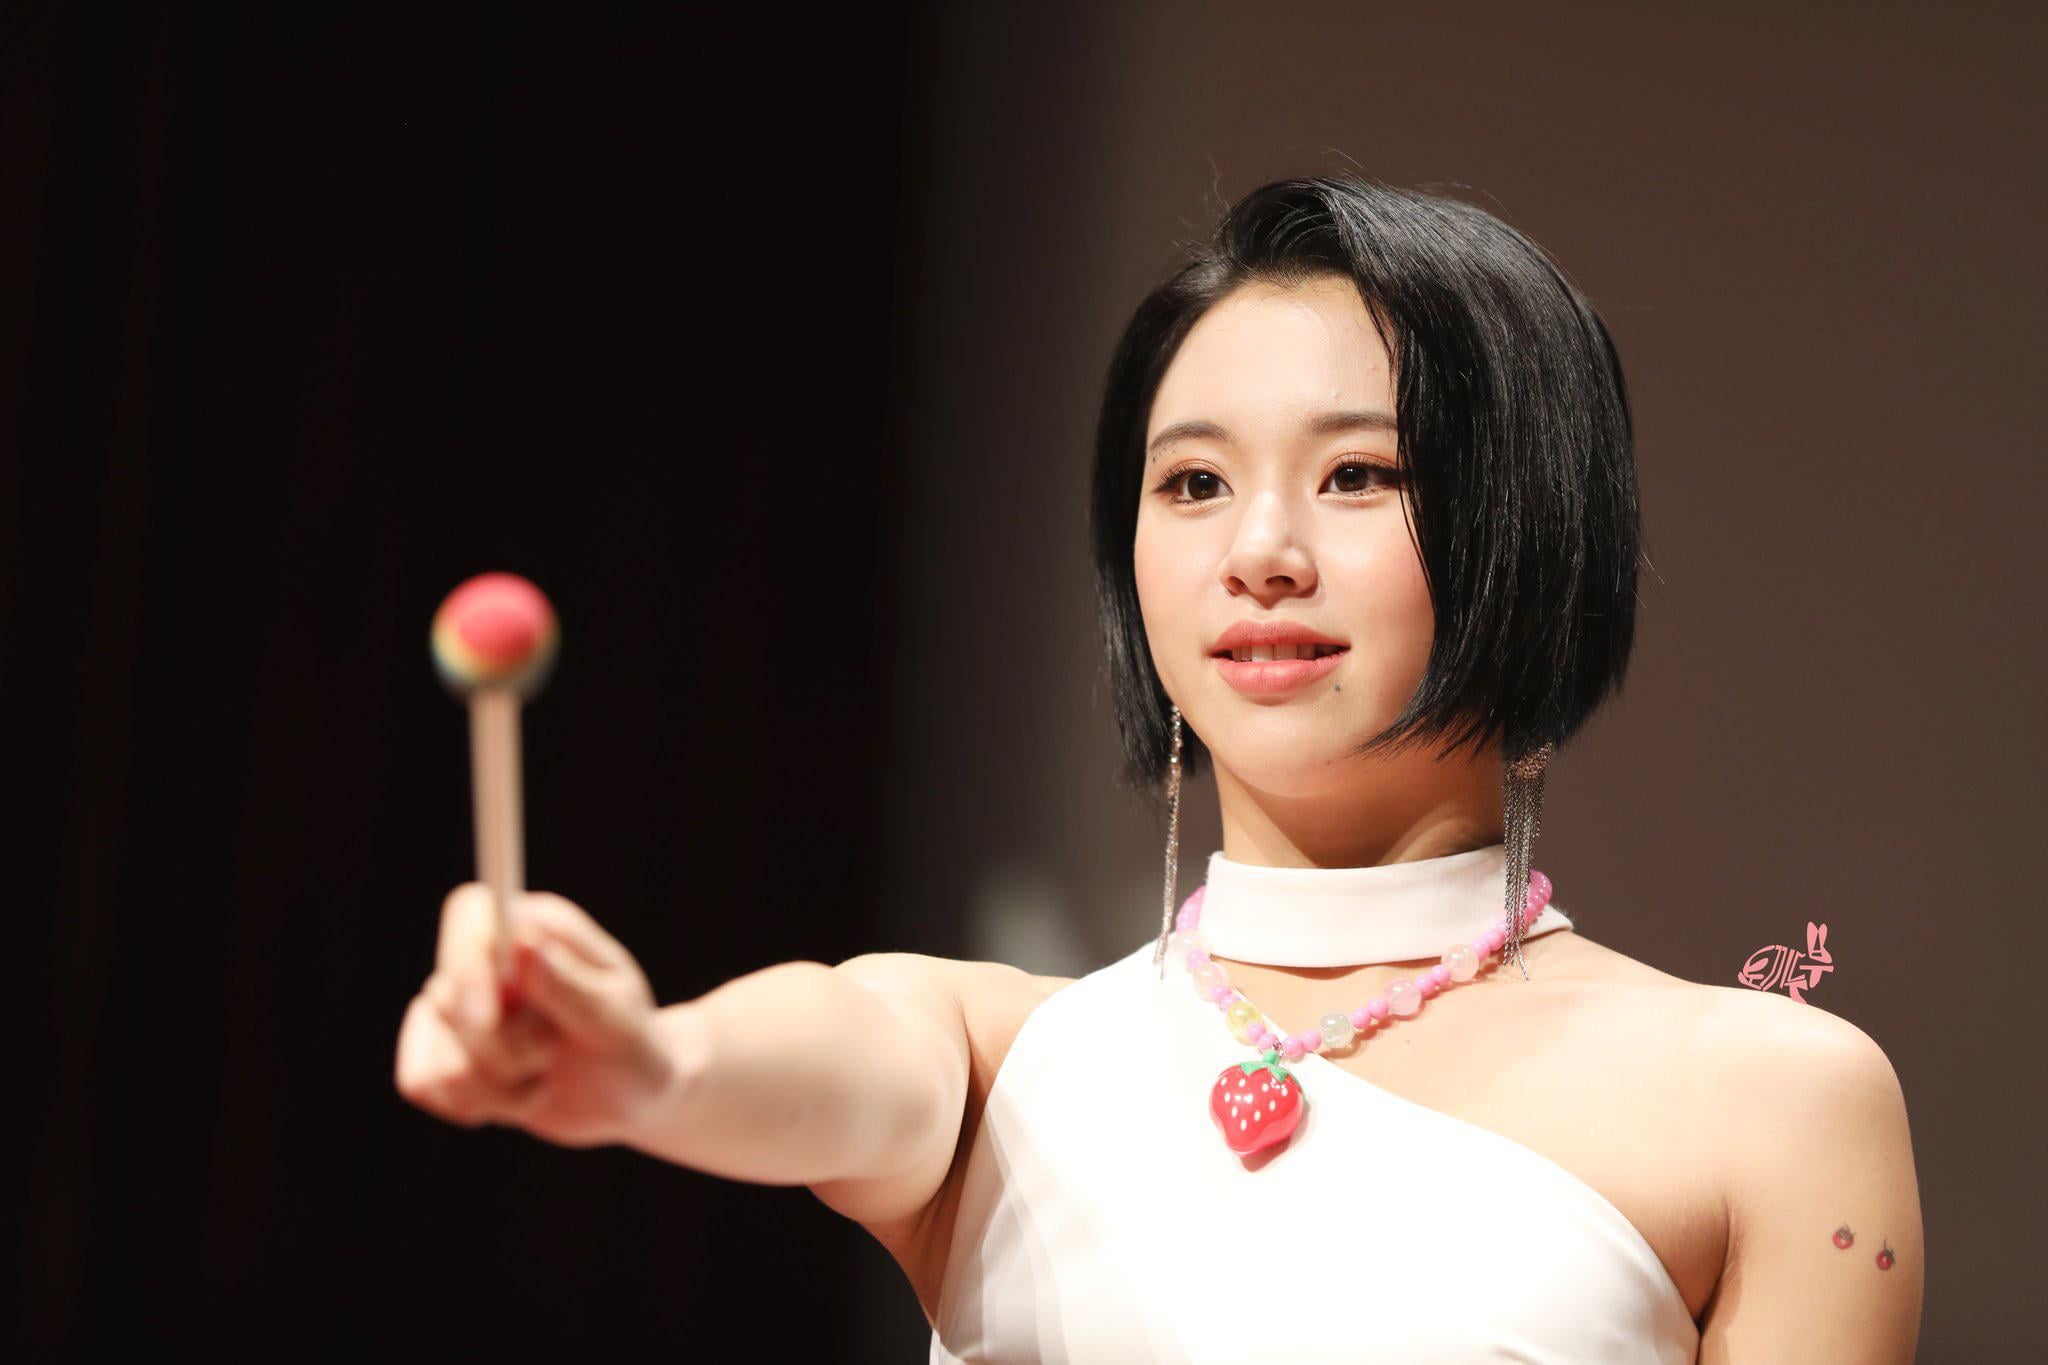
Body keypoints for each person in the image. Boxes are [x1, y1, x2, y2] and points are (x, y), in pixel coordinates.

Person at [394, 174, 1924, 1362]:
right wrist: (648, 1064)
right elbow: (824, 1054)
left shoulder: (1771, 1103)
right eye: (1192, 481)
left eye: (1357, 473)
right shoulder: (1007, 1063)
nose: (1258, 550)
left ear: (1533, 527)